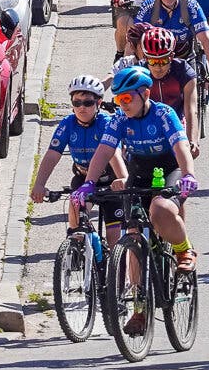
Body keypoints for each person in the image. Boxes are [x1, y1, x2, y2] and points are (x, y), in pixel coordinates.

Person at [74, 66, 198, 337]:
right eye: (118, 100)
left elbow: (181, 146)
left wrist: (188, 174)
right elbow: (104, 150)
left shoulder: (164, 114)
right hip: (140, 171)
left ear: (145, 93)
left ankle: (184, 250)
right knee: (132, 236)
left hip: (169, 169)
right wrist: (89, 182)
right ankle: (140, 310)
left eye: (127, 99)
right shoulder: (120, 120)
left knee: (160, 209)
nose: (122, 105)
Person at [31, 74, 126, 242]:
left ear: (98, 103)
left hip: (111, 180)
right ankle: (78, 250)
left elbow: (114, 153)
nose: (82, 108)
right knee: (76, 216)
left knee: (114, 240)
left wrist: (123, 179)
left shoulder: (106, 123)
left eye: (88, 103)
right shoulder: (68, 124)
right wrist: (39, 184)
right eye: (77, 103)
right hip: (83, 178)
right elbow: (52, 155)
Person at [138, 27, 199, 154]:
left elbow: (191, 110)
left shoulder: (184, 71)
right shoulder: (138, 73)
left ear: (171, 56)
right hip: (146, 122)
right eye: (153, 61)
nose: (158, 67)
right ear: (144, 57)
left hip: (176, 121)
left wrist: (192, 140)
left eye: (163, 60)